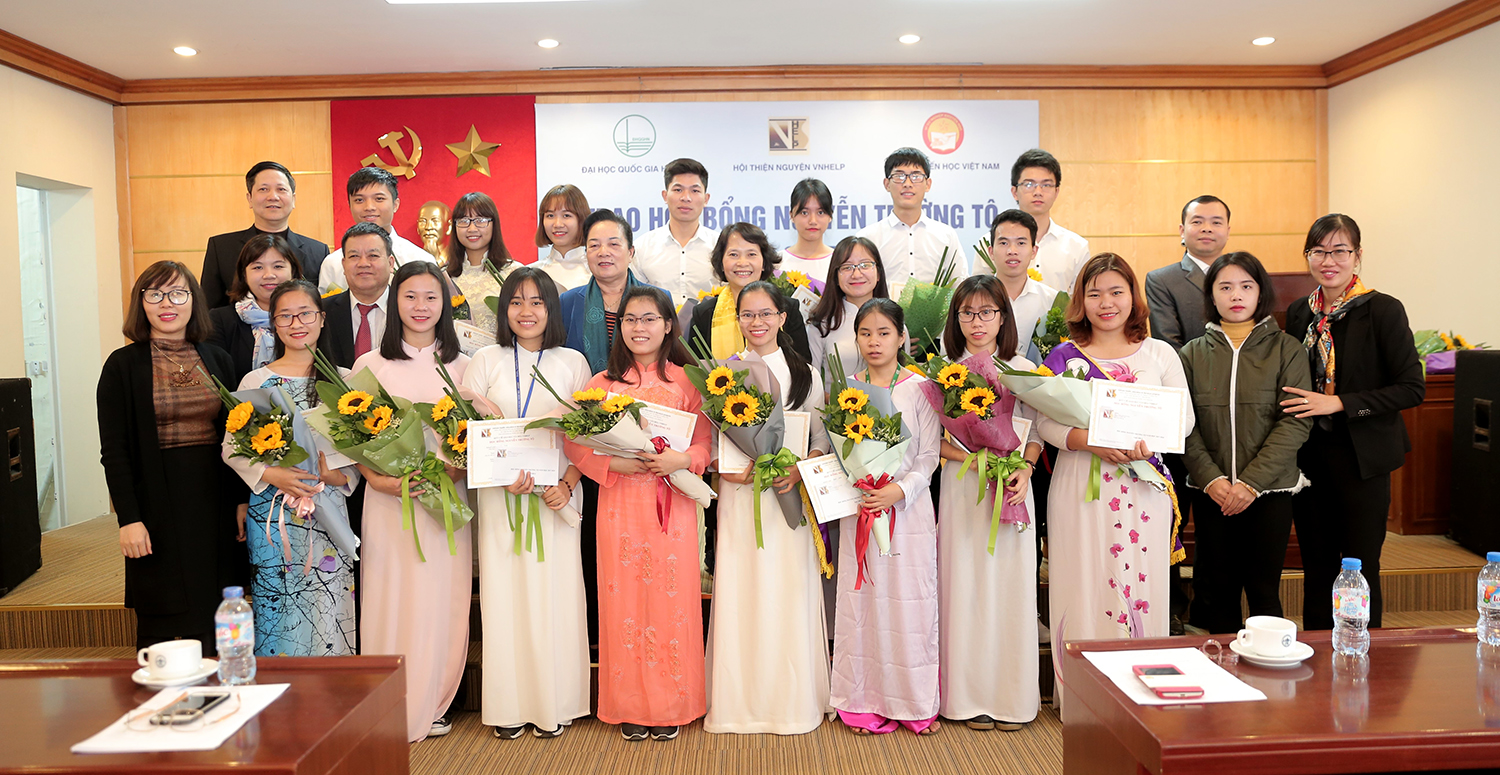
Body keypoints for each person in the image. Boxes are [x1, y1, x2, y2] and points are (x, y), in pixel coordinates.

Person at [1036, 254, 1194, 705]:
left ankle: (1140, 692)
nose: (1106, 303)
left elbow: (1183, 420)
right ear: (1080, 301)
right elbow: (1043, 424)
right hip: (1080, 484)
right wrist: (1090, 441)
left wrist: (1145, 441)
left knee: (1141, 582)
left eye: (1116, 292)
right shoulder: (1063, 356)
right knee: (1081, 579)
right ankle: (1082, 699)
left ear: (1132, 297)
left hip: (1142, 484)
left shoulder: (1159, 353)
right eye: (1095, 294)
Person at [564, 285, 711, 742]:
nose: (639, 327)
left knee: (672, 602)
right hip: (620, 507)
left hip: (672, 507)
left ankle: (671, 703)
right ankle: (628, 703)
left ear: (668, 325)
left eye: (649, 319)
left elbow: (706, 443)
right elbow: (574, 443)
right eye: (630, 319)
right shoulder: (602, 383)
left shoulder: (688, 381)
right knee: (623, 602)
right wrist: (615, 464)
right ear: (619, 327)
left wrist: (682, 460)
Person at [463, 266, 591, 739]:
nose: (526, 311)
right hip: (501, 498)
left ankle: (556, 703)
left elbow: (586, 439)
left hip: (556, 496)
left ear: (551, 309)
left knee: (555, 596)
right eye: (516, 301)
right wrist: (498, 473)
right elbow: (468, 435)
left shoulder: (574, 362)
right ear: (504, 310)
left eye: (537, 301)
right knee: (505, 598)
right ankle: (509, 705)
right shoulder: (484, 360)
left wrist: (569, 483)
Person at [1283, 214, 1424, 631]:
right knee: (1316, 564)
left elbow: (1411, 388)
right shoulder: (1300, 313)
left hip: (1362, 458)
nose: (1329, 261)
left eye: (1339, 251)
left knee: (1359, 566)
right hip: (1309, 458)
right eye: (1319, 251)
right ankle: (1316, 654)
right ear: (1308, 256)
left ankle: (1363, 652)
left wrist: (1340, 403)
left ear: (1357, 255)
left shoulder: (1383, 310)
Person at [351, 261, 472, 742]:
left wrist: (456, 467)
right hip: (388, 503)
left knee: (443, 597)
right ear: (394, 301)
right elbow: (351, 437)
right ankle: (389, 701)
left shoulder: (463, 366)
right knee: (391, 596)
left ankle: (435, 701)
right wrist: (376, 479)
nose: (420, 307)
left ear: (445, 305)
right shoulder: (369, 365)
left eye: (431, 297)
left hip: (445, 500)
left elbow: (476, 438)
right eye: (410, 296)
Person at [705, 280, 832, 735]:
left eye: (765, 313)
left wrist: (800, 469)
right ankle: (740, 703)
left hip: (789, 500)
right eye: (747, 314)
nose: (756, 322)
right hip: (740, 500)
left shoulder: (807, 374)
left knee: (787, 590)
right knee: (744, 590)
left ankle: (791, 702)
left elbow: (821, 439)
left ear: (782, 317)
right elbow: (713, 444)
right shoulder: (723, 374)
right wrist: (725, 469)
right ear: (737, 320)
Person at [98, 261, 243, 649]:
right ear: (141, 303)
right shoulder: (122, 366)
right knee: (161, 610)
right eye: (155, 294)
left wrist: (240, 501)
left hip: (213, 499)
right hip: (154, 501)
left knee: (215, 608)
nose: (167, 303)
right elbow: (114, 451)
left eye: (178, 293)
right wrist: (128, 519)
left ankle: (217, 682)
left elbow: (235, 438)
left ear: (193, 301)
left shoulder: (218, 360)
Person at [222, 280, 360, 657]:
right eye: (285, 316)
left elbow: (358, 457)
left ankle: (332, 689)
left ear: (322, 318)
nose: (296, 323)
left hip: (328, 507)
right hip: (272, 511)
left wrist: (334, 476)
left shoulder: (345, 381)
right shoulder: (256, 381)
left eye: (305, 314)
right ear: (274, 324)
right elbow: (231, 449)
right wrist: (273, 475)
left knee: (330, 608)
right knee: (279, 610)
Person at [1179, 253, 1312, 636]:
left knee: (1264, 591)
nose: (1236, 295)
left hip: (1269, 491)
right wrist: (1212, 480)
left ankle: (1269, 671)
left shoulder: (1287, 349)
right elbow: (1184, 426)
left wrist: (1251, 483)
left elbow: (1296, 423)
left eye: (1246, 286)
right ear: (1212, 295)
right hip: (1213, 492)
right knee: (1219, 593)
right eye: (1225, 287)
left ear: (1260, 292)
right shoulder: (1191, 354)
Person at [830, 298, 943, 736]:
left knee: (910, 605)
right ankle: (862, 701)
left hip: (908, 511)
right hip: (861, 507)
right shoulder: (847, 390)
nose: (874, 341)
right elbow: (840, 454)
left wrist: (898, 490)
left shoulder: (921, 388)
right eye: (865, 333)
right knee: (862, 604)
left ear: (901, 338)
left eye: (883, 333)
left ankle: (913, 702)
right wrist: (860, 485)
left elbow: (929, 455)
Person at [936, 275, 1042, 731]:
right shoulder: (944, 371)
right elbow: (933, 441)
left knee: (1009, 587)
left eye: (986, 312)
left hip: (1013, 486)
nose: (977, 321)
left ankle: (1011, 697)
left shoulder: (1022, 368)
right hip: (963, 487)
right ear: (956, 318)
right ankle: (967, 697)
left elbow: (1036, 431)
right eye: (967, 313)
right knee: (965, 585)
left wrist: (1025, 468)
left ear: (1003, 316)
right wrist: (977, 459)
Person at [200, 161, 328, 308]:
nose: (273, 196)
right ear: (249, 198)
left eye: (281, 189)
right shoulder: (221, 248)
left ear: (293, 199)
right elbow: (208, 309)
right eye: (263, 189)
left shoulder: (318, 252)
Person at [689, 222, 813, 361]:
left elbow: (803, 366)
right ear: (721, 263)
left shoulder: (788, 308)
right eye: (733, 254)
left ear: (764, 262)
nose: (742, 263)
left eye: (751, 254)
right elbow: (696, 369)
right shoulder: (704, 314)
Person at [559, 209, 664, 374]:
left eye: (613, 244)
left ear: (630, 252)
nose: (603, 252)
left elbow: (670, 357)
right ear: (586, 254)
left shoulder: (659, 299)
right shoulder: (567, 302)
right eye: (594, 246)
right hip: (583, 389)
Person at [857, 147, 967, 296]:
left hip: (934, 312)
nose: (907, 183)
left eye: (916, 176)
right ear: (887, 184)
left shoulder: (946, 236)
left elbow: (959, 283)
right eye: (899, 176)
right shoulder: (868, 237)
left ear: (928, 184)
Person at [317, 167, 436, 294]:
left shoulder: (420, 259)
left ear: (395, 204)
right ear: (349, 205)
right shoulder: (333, 264)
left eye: (379, 199)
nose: (369, 207)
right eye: (359, 200)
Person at [208, 234, 303, 383]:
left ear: (293, 272)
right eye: (258, 267)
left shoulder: (309, 318)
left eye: (278, 266)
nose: (269, 275)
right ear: (244, 274)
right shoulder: (220, 321)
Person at [1145, 195, 1232, 350]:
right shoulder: (1161, 280)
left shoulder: (1248, 276)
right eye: (1197, 222)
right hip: (1190, 365)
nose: (1207, 228)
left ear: (1227, 231)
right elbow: (1169, 346)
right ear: (1182, 230)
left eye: (1216, 222)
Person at [807, 236, 895, 389]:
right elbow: (812, 386)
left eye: (865, 265)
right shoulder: (822, 324)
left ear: (879, 273)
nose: (857, 274)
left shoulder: (894, 321)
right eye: (847, 267)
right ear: (835, 276)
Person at [634, 158, 720, 307]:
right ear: (665, 196)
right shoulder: (642, 247)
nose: (686, 198)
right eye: (678, 190)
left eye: (695, 191)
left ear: (706, 199)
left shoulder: (720, 246)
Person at [1009, 149, 1088, 295]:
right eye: (1029, 184)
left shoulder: (1076, 247)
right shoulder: (991, 244)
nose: (1038, 192)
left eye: (1046, 185)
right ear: (1015, 192)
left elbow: (1081, 300)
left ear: (1056, 192)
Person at [321, 223, 398, 369]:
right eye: (354, 256)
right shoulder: (322, 311)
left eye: (373, 256)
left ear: (390, 263)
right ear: (344, 265)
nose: (363, 263)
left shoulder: (408, 310)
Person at [988, 209, 1061, 363]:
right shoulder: (972, 300)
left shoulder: (1052, 301)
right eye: (1003, 243)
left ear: (1034, 251)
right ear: (991, 251)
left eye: (1021, 243)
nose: (1012, 251)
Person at [444, 192, 514, 338]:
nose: (472, 229)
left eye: (480, 220)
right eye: (464, 221)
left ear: (494, 224)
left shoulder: (513, 273)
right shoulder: (444, 276)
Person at [532, 184, 592, 291]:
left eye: (566, 215)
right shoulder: (532, 273)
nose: (557, 224)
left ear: (581, 219)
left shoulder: (597, 272)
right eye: (550, 216)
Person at [781, 178, 835, 281]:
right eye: (804, 213)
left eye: (820, 212)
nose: (813, 221)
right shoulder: (777, 263)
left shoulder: (840, 262)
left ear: (830, 216)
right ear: (791, 215)